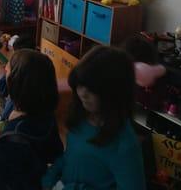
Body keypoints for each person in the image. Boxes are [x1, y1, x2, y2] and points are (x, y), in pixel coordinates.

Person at [42, 46, 146, 190]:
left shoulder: (125, 146)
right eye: (80, 84)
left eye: (92, 88)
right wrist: (49, 177)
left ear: (114, 92)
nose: (83, 93)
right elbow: (70, 158)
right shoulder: (80, 119)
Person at [0, 49, 64, 189]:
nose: (5, 69)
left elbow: (3, 174)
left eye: (8, 69)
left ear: (15, 83)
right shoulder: (46, 115)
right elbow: (55, 153)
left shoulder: (13, 138)